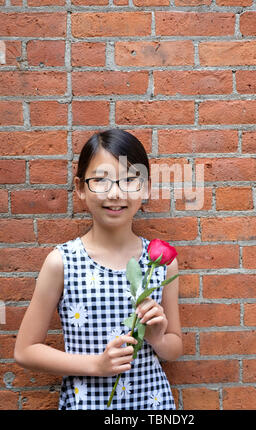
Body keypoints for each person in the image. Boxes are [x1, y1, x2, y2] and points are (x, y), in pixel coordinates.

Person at [14, 128, 182, 410]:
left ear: (146, 187)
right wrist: (97, 364)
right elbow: (25, 350)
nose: (115, 193)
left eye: (130, 180)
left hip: (152, 404)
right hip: (88, 402)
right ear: (80, 187)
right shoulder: (62, 262)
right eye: (101, 181)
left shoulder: (161, 262)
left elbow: (175, 348)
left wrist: (157, 338)